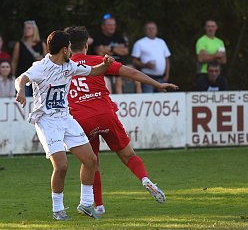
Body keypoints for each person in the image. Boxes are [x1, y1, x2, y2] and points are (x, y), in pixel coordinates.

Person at [65, 26, 178, 214]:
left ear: (68, 47)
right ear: (86, 45)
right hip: (105, 114)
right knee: (129, 156)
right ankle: (145, 179)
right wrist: (158, 84)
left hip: (82, 120)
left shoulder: (62, 67)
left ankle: (98, 207)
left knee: (91, 163)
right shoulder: (97, 61)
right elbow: (132, 73)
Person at [15, 30, 115, 220]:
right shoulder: (41, 67)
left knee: (91, 160)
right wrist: (20, 90)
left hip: (66, 118)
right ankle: (58, 209)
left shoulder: (70, 66)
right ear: (64, 49)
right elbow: (22, 78)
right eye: (69, 47)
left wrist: (105, 64)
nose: (71, 50)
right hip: (46, 120)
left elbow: (94, 72)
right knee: (61, 166)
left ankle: (86, 204)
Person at [93, 14, 129, 93]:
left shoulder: (119, 37)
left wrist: (110, 48)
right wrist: (117, 48)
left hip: (119, 67)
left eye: (113, 25)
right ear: (103, 26)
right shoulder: (98, 37)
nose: (112, 27)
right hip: (105, 68)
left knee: (121, 80)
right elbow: (99, 51)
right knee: (108, 83)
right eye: (109, 25)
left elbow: (125, 51)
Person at [131, 21, 171, 93]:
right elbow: (134, 61)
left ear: (156, 30)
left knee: (162, 99)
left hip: (161, 78)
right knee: (148, 98)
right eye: (149, 28)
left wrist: (167, 75)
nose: (151, 30)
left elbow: (167, 59)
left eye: (153, 28)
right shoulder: (139, 43)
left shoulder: (161, 42)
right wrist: (145, 65)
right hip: (147, 78)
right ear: (145, 30)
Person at [11, 20, 47, 96]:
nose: (26, 30)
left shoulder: (42, 44)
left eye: (29, 28)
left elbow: (47, 61)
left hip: (38, 78)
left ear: (34, 30)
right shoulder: (19, 44)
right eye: (25, 28)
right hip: (23, 77)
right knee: (25, 100)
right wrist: (12, 76)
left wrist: (41, 59)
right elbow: (14, 61)